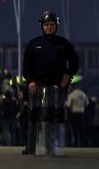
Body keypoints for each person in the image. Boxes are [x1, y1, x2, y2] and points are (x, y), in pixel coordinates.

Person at [22, 11, 79, 154]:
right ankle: (30, 147)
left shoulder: (63, 43)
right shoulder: (34, 44)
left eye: (52, 25)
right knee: (33, 116)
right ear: (42, 26)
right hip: (37, 86)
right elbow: (26, 66)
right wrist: (30, 81)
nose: (49, 27)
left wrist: (68, 75)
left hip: (56, 87)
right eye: (46, 25)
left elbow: (75, 61)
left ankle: (50, 147)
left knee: (52, 116)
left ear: (56, 26)